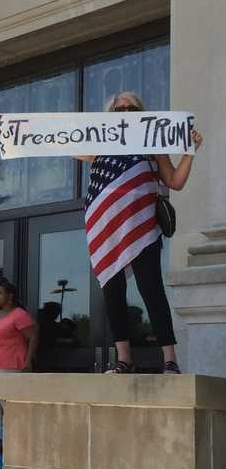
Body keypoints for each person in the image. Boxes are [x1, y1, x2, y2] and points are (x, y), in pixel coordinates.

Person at [78, 91, 203, 374]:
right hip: (106, 227)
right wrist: (30, 134)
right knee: (113, 292)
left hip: (143, 226)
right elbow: (68, 145)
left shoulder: (153, 142)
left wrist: (189, 152)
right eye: (118, 109)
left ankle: (169, 359)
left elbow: (175, 180)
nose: (125, 112)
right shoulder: (100, 142)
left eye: (131, 108)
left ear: (141, 112)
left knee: (152, 290)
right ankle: (124, 359)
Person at [0, 280, 36, 424]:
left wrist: (28, 360)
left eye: (0, 293)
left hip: (8, 364)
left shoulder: (19, 314)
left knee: (7, 403)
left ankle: (13, 438)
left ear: (10, 296)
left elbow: (33, 337)